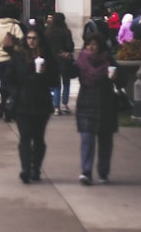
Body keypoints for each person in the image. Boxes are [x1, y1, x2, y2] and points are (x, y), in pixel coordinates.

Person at [4, 28, 57, 183]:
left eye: (34, 38)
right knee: (25, 137)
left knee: (38, 138)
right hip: (23, 103)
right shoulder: (18, 57)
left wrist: (45, 72)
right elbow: (8, 80)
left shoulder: (46, 57)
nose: (31, 41)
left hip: (41, 103)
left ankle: (36, 168)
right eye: (29, 38)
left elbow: (54, 81)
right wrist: (16, 93)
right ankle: (26, 168)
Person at [74, 32, 119, 185]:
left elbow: (123, 80)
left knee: (106, 141)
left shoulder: (108, 60)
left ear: (100, 46)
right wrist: (65, 62)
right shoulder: (81, 60)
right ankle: (86, 171)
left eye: (94, 44)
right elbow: (71, 72)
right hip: (87, 102)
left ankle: (103, 172)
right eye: (89, 44)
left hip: (106, 104)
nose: (91, 47)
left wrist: (115, 77)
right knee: (87, 139)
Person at [0, 3, 24, 110]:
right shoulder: (15, 26)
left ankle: (3, 104)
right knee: (13, 84)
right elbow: (22, 42)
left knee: (3, 83)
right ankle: (10, 105)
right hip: (12, 59)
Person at [44, 12, 75, 115]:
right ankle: (64, 104)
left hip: (52, 61)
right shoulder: (66, 32)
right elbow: (70, 46)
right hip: (64, 60)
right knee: (66, 83)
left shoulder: (48, 32)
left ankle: (56, 106)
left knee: (56, 84)